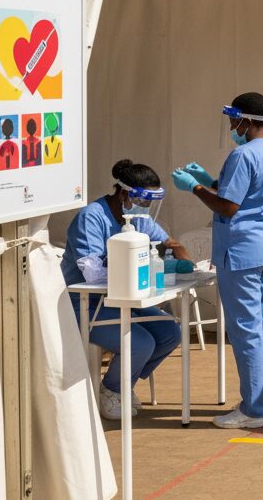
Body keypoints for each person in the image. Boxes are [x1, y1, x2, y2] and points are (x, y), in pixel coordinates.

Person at [172, 92, 263, 429]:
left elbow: (229, 206)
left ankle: (253, 411)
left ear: (245, 120)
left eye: (233, 120)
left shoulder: (242, 154)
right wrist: (208, 181)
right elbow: (243, 191)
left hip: (242, 251)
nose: (230, 127)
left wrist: (194, 188)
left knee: (247, 331)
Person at [64, 161, 187, 420]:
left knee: (170, 332)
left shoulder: (139, 220)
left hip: (124, 300)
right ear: (124, 194)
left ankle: (122, 385)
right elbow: (93, 275)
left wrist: (179, 255)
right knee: (139, 342)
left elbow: (170, 243)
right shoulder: (91, 217)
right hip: (84, 303)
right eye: (142, 201)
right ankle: (110, 389)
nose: (145, 210)